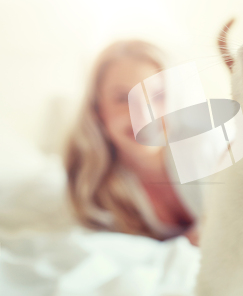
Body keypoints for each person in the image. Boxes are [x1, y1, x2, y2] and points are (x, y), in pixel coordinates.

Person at [64, 40, 200, 245]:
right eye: (122, 98)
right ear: (97, 110)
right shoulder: (93, 186)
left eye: (158, 96)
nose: (144, 117)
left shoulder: (209, 149)